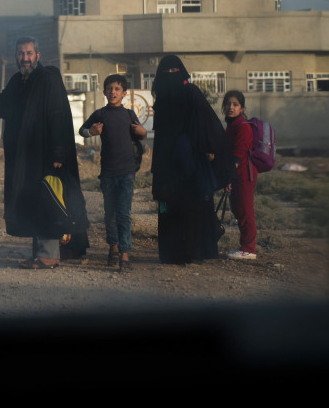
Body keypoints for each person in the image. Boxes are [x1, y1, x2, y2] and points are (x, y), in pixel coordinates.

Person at [0, 37, 88, 269]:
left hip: (46, 155)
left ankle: (49, 255)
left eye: (29, 53)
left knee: (47, 200)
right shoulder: (18, 80)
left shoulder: (48, 78)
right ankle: (41, 253)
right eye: (20, 53)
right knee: (31, 202)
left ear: (37, 55)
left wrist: (59, 155)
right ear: (16, 56)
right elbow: (2, 108)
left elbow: (58, 116)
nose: (24, 58)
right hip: (24, 158)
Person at [150, 55, 236, 264]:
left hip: (190, 161)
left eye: (174, 71)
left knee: (193, 206)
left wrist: (207, 149)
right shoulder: (160, 100)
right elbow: (160, 133)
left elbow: (206, 123)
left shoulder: (191, 92)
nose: (171, 75)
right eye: (166, 72)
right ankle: (172, 254)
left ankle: (195, 252)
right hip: (167, 163)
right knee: (171, 207)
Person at [79, 74, 146, 272]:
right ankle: (113, 248)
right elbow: (81, 130)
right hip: (108, 172)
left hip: (127, 171)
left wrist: (143, 133)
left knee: (124, 214)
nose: (113, 92)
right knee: (110, 214)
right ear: (104, 91)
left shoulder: (129, 115)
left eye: (117, 89)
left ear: (124, 93)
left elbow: (141, 133)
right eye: (109, 88)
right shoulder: (100, 114)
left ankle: (125, 253)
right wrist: (90, 132)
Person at [222, 90, 258, 260]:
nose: (231, 107)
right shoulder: (232, 126)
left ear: (242, 108)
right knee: (238, 211)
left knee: (245, 211)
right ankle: (245, 247)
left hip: (244, 174)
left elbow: (238, 154)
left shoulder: (243, 127)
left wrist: (229, 177)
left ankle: (249, 249)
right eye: (228, 104)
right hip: (237, 174)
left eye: (235, 104)